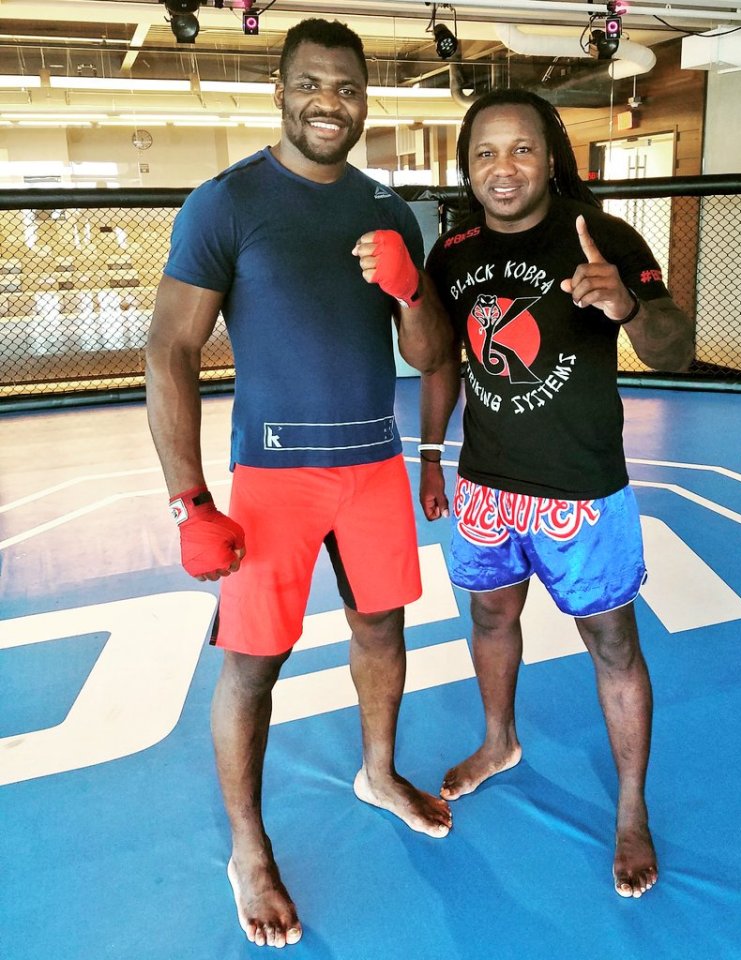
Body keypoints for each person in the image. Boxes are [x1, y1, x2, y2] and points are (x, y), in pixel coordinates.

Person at [146, 18, 454, 949]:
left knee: (383, 628)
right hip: (275, 475)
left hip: (371, 465)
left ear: (367, 98)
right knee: (253, 666)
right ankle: (249, 848)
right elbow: (171, 349)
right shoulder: (225, 203)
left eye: (349, 88)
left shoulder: (389, 209)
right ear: (280, 90)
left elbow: (434, 355)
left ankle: (378, 769)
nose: (331, 103)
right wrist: (190, 500)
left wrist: (410, 288)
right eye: (313, 85)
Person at [419, 88, 695, 899]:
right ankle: (499, 739)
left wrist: (630, 304)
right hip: (487, 485)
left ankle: (632, 807)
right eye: (484, 154)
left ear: (550, 157)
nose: (502, 169)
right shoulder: (456, 251)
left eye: (521, 150)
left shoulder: (601, 234)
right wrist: (432, 451)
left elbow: (675, 348)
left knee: (612, 644)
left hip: (582, 487)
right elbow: (443, 359)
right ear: (467, 168)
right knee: (490, 616)